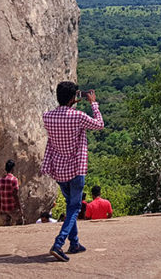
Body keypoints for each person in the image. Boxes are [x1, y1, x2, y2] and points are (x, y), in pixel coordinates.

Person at [41, 82, 103, 262]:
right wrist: (93, 103)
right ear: (72, 98)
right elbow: (99, 124)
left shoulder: (48, 117)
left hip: (58, 169)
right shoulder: (78, 116)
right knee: (75, 207)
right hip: (76, 169)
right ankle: (58, 244)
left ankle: (74, 243)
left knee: (70, 205)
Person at [0, 159, 24, 226]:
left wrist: (0, 208)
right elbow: (15, 195)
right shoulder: (14, 179)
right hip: (12, 207)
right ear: (13, 168)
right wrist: (20, 208)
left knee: (6, 225)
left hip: (4, 207)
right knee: (19, 221)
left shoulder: (0, 180)